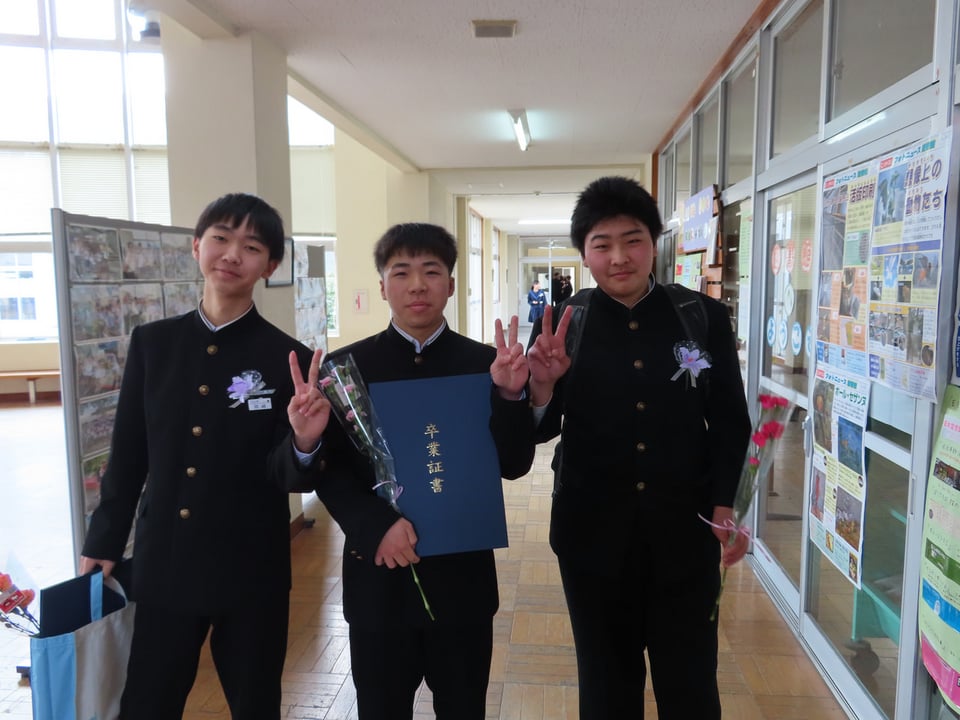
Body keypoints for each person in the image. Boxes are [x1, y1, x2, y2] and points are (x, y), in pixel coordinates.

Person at [80, 193, 329, 720]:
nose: (232, 254)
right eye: (220, 238)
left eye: (252, 247)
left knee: (255, 703)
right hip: (166, 560)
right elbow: (128, 454)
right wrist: (104, 540)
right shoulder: (153, 344)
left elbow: (286, 474)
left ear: (270, 266)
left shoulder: (288, 359)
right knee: (148, 701)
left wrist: (304, 442)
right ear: (197, 247)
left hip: (252, 566)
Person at [526, 176, 751, 719]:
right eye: (602, 244)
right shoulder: (563, 323)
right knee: (605, 686)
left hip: (686, 536)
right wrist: (541, 388)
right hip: (590, 538)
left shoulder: (701, 316)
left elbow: (729, 420)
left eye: (633, 240)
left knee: (691, 686)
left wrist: (725, 503)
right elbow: (538, 429)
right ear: (584, 253)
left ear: (654, 244)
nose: (619, 257)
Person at [301, 223, 535, 720]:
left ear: (450, 284)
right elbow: (330, 472)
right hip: (379, 580)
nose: (417, 286)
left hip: (463, 584)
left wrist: (511, 396)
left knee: (463, 708)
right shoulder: (345, 370)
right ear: (382, 286)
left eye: (431, 272)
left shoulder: (487, 364)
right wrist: (374, 525)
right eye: (401, 272)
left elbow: (514, 465)